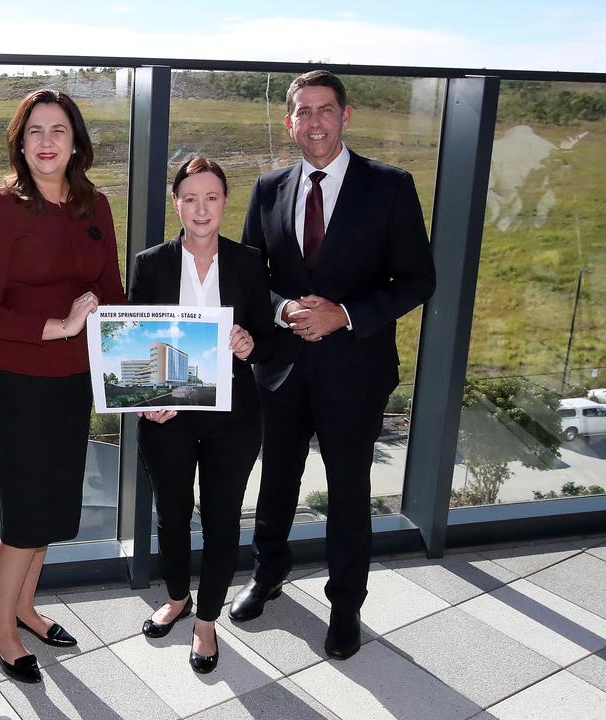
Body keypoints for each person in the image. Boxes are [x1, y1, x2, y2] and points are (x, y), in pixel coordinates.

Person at [230, 70, 437, 661]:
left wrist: (344, 314)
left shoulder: (390, 187)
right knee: (276, 483)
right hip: (282, 369)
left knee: (349, 491)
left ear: (345, 117)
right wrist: (285, 306)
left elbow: (418, 280)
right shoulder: (269, 188)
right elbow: (252, 280)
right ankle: (268, 574)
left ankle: (346, 604)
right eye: (303, 111)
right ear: (290, 121)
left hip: (355, 371)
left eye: (326, 110)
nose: (314, 121)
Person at [0, 89, 125, 684]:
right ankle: (0, 628)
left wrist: (146, 360)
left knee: (56, 502)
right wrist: (55, 326)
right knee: (26, 510)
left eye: (59, 130)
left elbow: (113, 293)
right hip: (17, 376)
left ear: (76, 141)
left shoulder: (96, 206)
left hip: (75, 377)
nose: (47, 141)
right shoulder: (5, 206)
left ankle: (26, 607)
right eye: (35, 131)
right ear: (20, 142)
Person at [129, 156, 274, 674]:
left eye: (211, 197)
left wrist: (250, 341)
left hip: (233, 417)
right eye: (190, 198)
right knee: (171, 513)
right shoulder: (151, 263)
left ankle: (206, 620)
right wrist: (151, 401)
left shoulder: (250, 261)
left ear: (225, 202)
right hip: (169, 415)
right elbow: (136, 339)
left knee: (220, 518)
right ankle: (175, 597)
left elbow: (268, 337)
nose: (201, 208)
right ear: (176, 203)